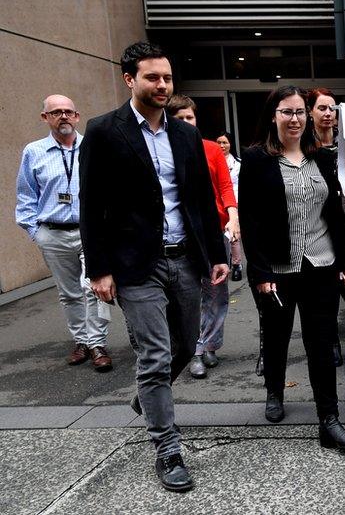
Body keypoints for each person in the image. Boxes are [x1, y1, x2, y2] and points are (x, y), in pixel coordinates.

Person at [79, 41, 229, 492]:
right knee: (156, 354)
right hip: (135, 265)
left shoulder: (185, 135)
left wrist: (216, 256)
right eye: (152, 78)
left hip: (184, 257)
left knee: (186, 344)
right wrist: (99, 269)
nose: (162, 85)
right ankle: (168, 448)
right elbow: (92, 205)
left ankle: (149, 392)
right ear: (130, 79)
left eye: (167, 78)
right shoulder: (104, 131)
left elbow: (200, 199)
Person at [237, 85, 345, 450]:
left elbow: (336, 215)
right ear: (273, 116)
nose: (295, 120)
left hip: (320, 264)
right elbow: (252, 220)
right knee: (275, 336)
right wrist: (259, 273)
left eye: (300, 113)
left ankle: (329, 420)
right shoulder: (257, 159)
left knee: (322, 343)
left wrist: (343, 262)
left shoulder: (322, 157)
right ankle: (274, 392)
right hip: (277, 268)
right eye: (287, 112)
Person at [16, 94, 113, 372]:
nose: (63, 117)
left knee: (95, 288)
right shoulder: (33, 152)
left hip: (90, 233)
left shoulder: (93, 147)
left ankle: (97, 343)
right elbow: (25, 196)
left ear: (77, 116)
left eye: (68, 111)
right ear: (45, 117)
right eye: (56, 112)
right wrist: (36, 232)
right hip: (52, 233)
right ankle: (81, 341)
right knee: (69, 293)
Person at [166, 94, 239, 378]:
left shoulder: (210, 149)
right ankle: (193, 350)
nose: (186, 122)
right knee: (189, 297)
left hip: (212, 234)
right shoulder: (164, 150)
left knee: (217, 295)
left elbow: (225, 187)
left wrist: (233, 217)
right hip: (182, 237)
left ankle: (209, 344)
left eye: (190, 117)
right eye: (179, 118)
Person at [307, 87, 345, 367]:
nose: (328, 114)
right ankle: (332, 341)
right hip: (319, 227)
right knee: (327, 293)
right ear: (310, 113)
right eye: (322, 108)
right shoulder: (305, 149)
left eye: (332, 108)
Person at [216, 131, 244, 281]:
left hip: (235, 203)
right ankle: (222, 262)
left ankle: (236, 265)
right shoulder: (212, 161)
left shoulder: (238, 163)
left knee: (234, 236)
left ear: (230, 144)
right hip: (218, 204)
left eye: (225, 142)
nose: (221, 145)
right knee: (220, 236)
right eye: (219, 142)